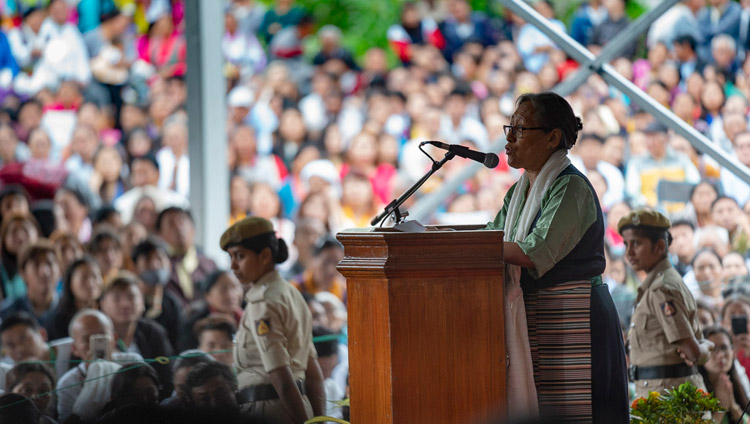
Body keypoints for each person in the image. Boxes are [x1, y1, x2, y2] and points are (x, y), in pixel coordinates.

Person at [485, 92, 628, 421]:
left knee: (577, 413)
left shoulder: (571, 187)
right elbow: (492, 236)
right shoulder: (521, 189)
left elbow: (532, 252)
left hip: (575, 317)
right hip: (542, 315)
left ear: (552, 138)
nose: (508, 138)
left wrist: (465, 246)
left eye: (519, 129)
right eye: (509, 127)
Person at [220, 216, 326, 423]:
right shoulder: (291, 293)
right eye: (231, 257)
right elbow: (312, 372)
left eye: (240, 256)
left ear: (265, 255)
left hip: (270, 411)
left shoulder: (263, 302)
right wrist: (318, 420)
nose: (233, 265)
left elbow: (282, 378)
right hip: (297, 408)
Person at [619, 209, 714, 398]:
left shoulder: (662, 289)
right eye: (626, 244)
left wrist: (707, 347)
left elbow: (692, 352)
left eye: (636, 243)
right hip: (660, 393)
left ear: (660, 246)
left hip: (668, 397)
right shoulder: (660, 284)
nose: (629, 252)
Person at [698, 326, 750, 423]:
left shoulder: (734, 383)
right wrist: (721, 409)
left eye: (724, 347)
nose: (721, 354)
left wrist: (733, 407)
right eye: (713, 349)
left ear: (732, 351)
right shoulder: (694, 389)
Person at [47, 256, 103, 341]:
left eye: (95, 276)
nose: (91, 283)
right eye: (84, 277)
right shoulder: (58, 321)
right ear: (70, 283)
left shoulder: (107, 313)